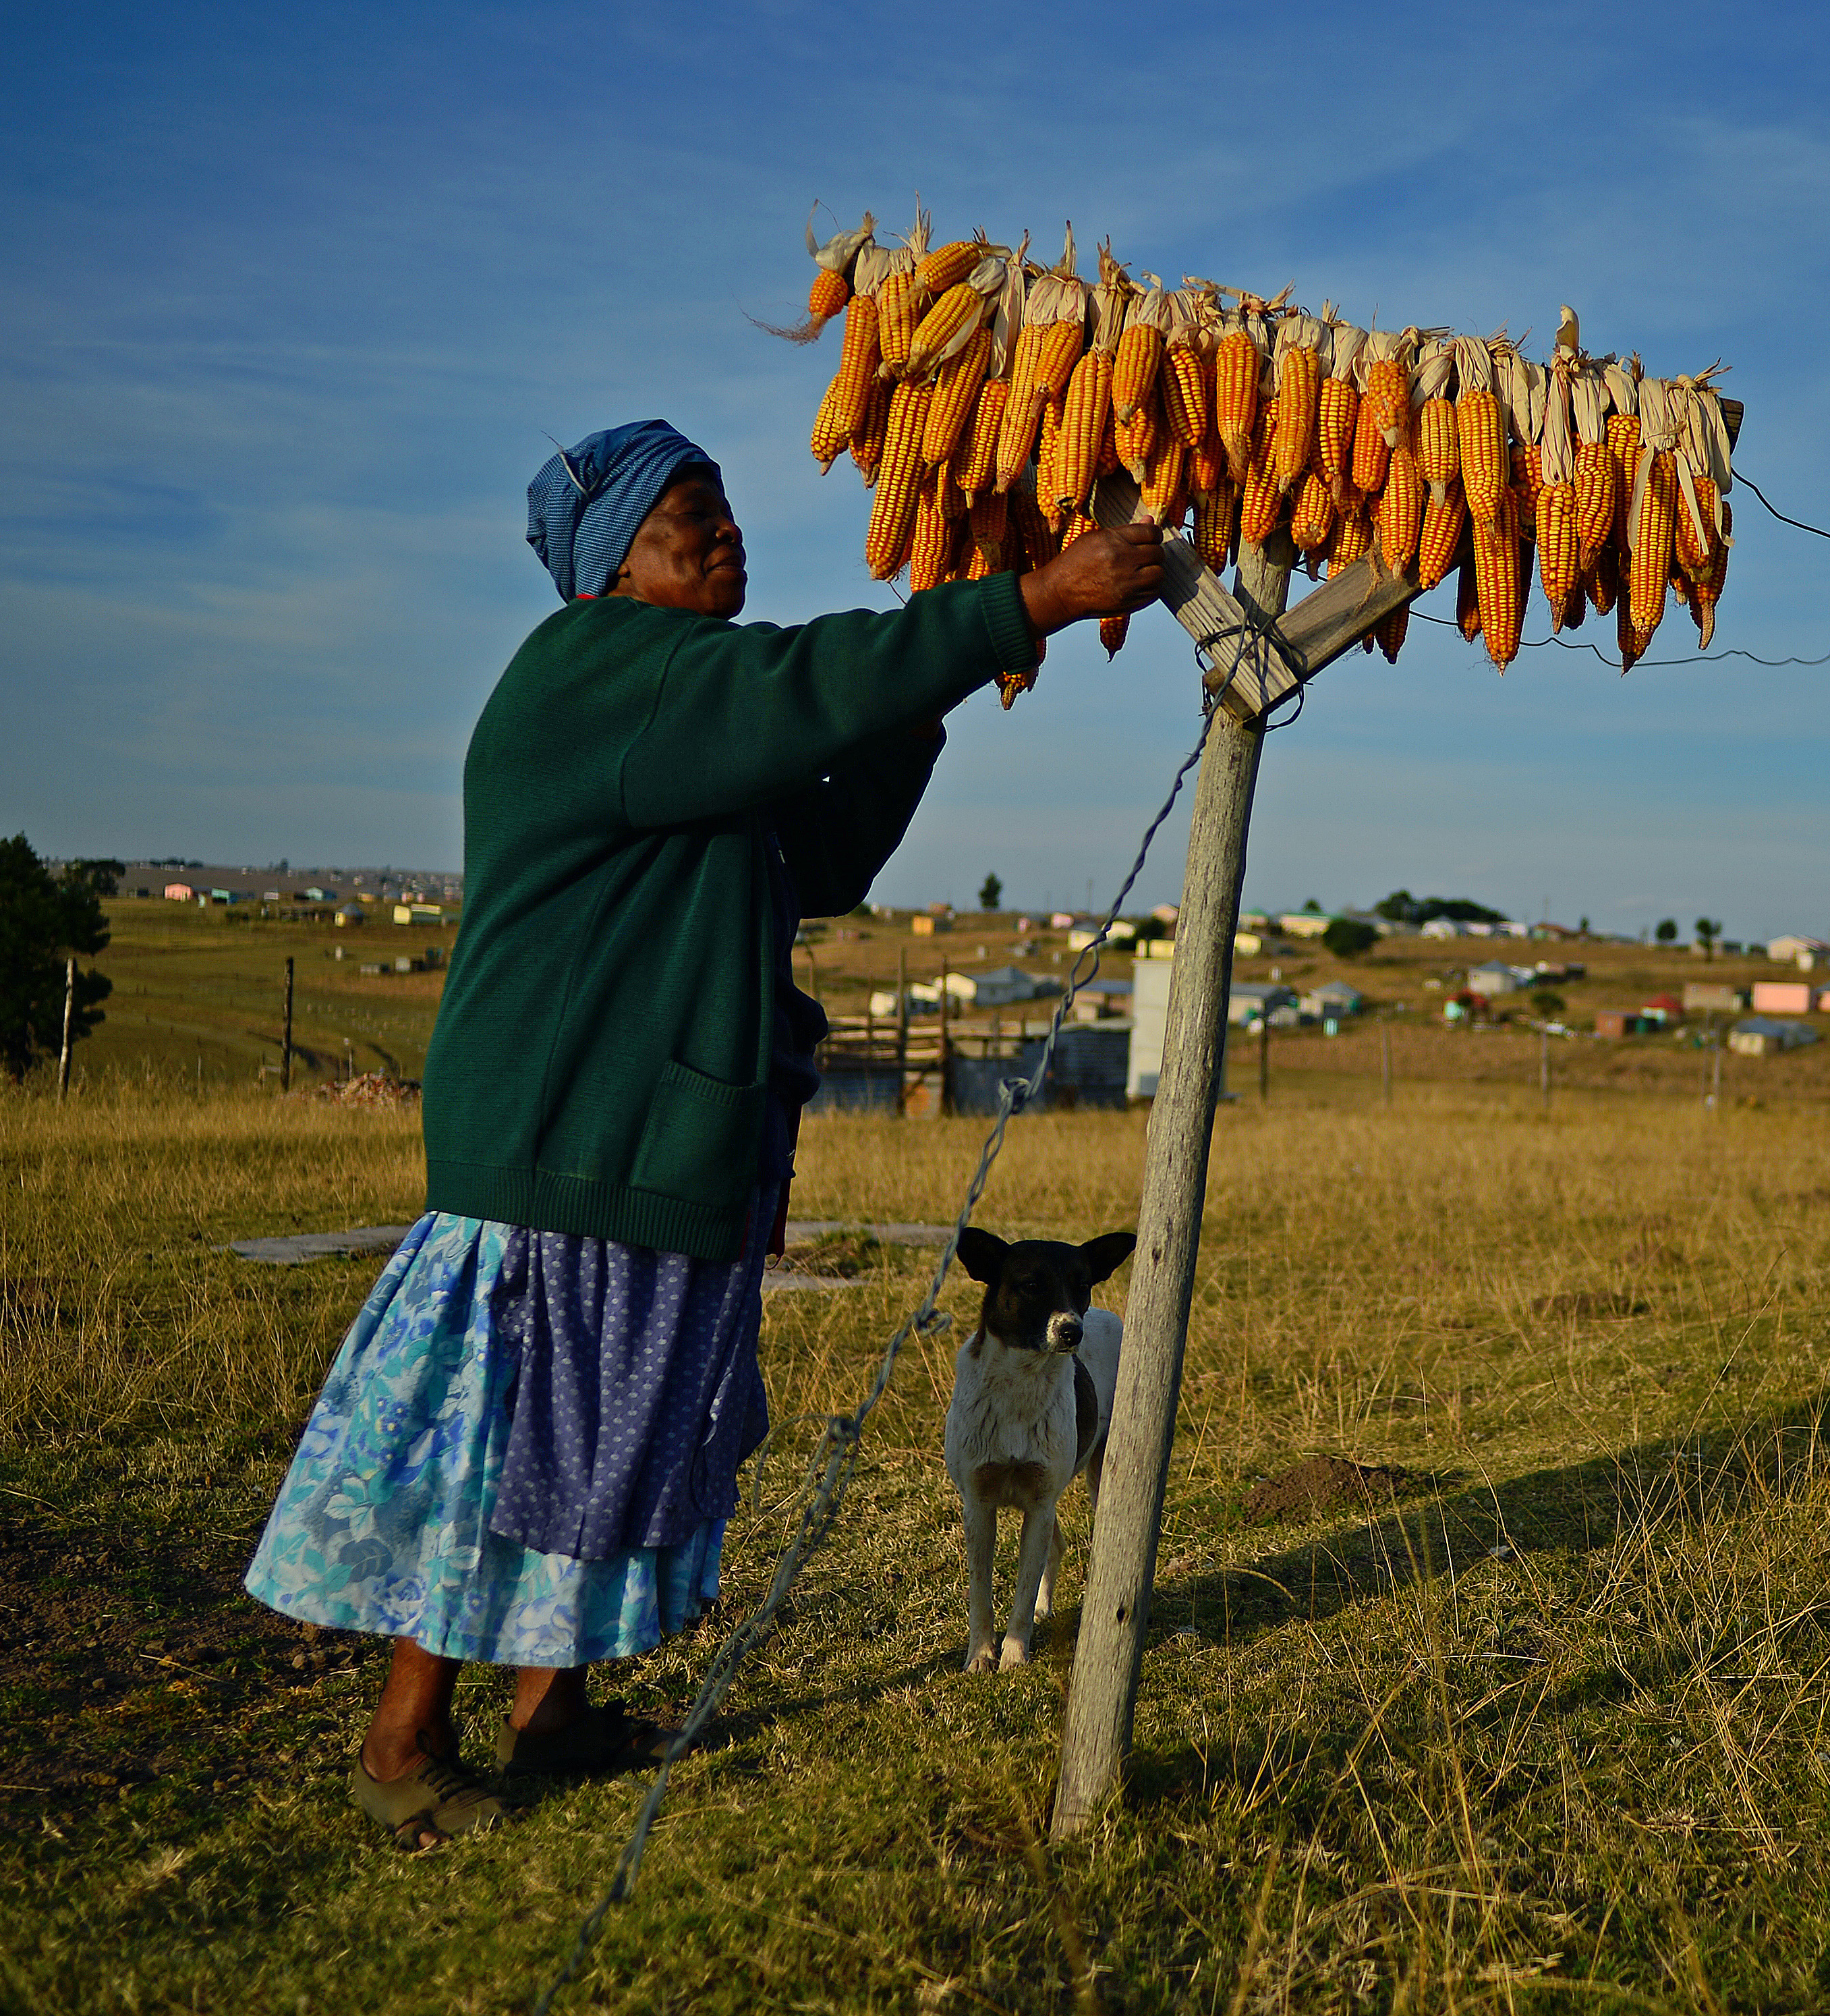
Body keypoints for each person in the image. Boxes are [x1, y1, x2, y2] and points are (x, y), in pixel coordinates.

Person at [244, 420, 1164, 1848]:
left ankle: (550, 1710)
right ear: (614, 561)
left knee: (618, 1440)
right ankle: (401, 1747)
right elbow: (801, 686)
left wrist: (933, 690)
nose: (726, 533)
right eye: (690, 514)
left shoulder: (686, 720)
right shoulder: (596, 674)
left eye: (727, 509)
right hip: (568, 1142)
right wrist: (1025, 599)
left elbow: (821, 850)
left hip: (660, 1144)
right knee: (504, 1450)